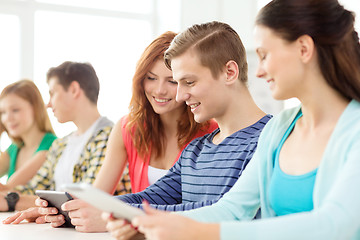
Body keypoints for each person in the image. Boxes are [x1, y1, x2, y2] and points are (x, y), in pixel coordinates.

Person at [117, 0, 360, 239]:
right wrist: (151, 222)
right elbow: (232, 210)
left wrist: (197, 231)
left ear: (304, 49)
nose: (258, 71)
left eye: (264, 55)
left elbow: (335, 225)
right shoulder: (280, 128)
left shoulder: (354, 128)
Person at [3, 32, 217, 232]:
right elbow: (96, 197)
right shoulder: (128, 129)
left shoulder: (211, 131)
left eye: (171, 81)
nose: (159, 90)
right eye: (151, 78)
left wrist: (122, 218)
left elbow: (209, 210)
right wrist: (53, 211)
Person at [91, 21, 271, 238]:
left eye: (189, 82)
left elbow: (222, 211)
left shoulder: (270, 139)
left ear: (230, 72)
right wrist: (85, 206)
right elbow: (149, 198)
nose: (179, 96)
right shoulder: (195, 150)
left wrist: (129, 215)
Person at [0, 61, 131, 212]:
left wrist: (12, 200)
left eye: (52, 93)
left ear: (74, 90)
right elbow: (34, 188)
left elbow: (83, 201)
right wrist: (9, 194)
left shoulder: (109, 137)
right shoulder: (61, 144)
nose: (48, 104)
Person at [0, 79, 56, 190]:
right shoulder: (14, 149)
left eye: (15, 110)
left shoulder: (52, 145)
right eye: (3, 112)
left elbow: (7, 190)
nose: (8, 118)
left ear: (35, 109)